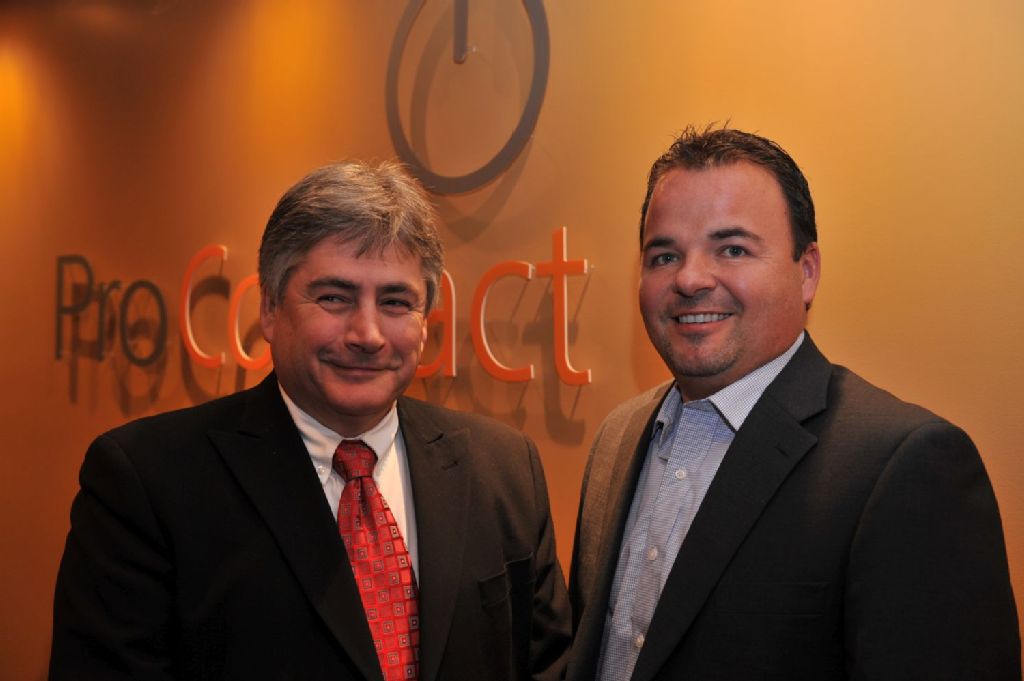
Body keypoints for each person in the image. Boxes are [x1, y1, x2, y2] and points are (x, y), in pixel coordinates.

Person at [50, 160, 571, 681]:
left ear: (424, 320)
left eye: (395, 301)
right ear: (270, 309)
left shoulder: (505, 469)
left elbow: (547, 666)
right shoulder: (147, 483)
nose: (367, 334)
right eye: (334, 298)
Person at [566, 126, 1020, 681]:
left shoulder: (904, 465)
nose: (689, 278)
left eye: (732, 249)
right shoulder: (616, 439)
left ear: (807, 272)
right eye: (664, 255)